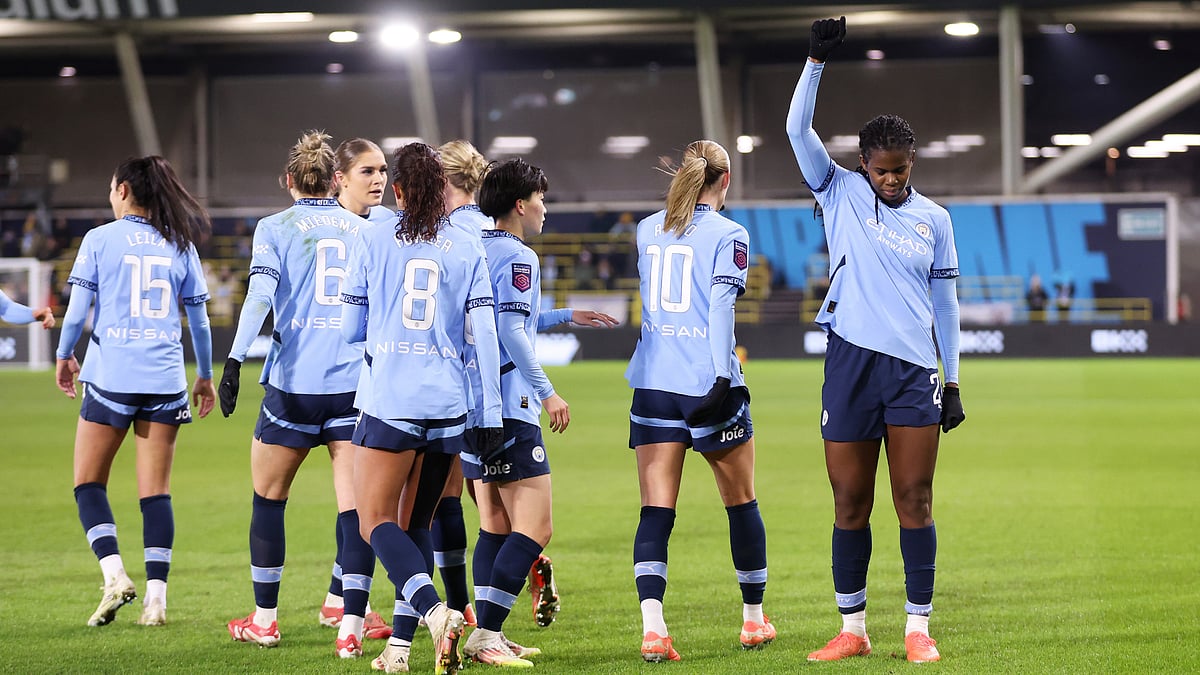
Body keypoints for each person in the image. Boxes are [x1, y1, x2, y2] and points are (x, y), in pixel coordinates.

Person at [785, 16, 966, 664]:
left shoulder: (935, 220)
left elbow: (945, 303)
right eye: (882, 171)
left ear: (912, 163)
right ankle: (853, 628)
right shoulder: (838, 191)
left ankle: (918, 628)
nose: (891, 180)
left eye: (901, 170)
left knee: (914, 498)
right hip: (849, 364)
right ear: (863, 163)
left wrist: (952, 379)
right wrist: (815, 61)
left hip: (913, 370)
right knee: (849, 501)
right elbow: (796, 130)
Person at [340, 141, 503, 675]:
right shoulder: (468, 244)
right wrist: (490, 412)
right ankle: (399, 649)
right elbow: (484, 336)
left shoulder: (373, 235)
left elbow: (350, 329)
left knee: (374, 521)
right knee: (417, 525)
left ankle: (436, 613)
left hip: (391, 398)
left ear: (400, 190)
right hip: (449, 405)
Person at [220, 131, 379, 657]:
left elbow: (260, 295)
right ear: (335, 180)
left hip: (293, 386)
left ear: (288, 180)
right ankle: (349, 627)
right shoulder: (366, 229)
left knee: (269, 499)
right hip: (353, 386)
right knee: (355, 509)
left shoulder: (275, 227)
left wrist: (234, 360)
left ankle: (265, 621)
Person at [460, 158, 619, 666]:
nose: (545, 208)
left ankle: (490, 635)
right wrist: (548, 392)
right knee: (536, 529)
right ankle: (486, 635)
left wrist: (567, 314)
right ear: (519, 205)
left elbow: (506, 320)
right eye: (541, 199)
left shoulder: (472, 248)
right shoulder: (519, 257)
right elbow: (511, 331)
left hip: (471, 405)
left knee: (494, 527)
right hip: (510, 405)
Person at [623, 140, 772, 663]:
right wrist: (722, 377)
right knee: (741, 502)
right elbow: (721, 309)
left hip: (653, 384)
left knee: (655, 510)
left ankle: (653, 629)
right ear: (725, 180)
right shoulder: (730, 234)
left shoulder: (647, 229)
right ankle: (753, 620)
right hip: (707, 383)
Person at [55, 155, 216, 627]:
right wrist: (204, 375)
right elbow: (200, 322)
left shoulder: (100, 239)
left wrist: (64, 355)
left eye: (112, 189)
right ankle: (156, 602)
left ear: (123, 190)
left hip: (112, 377)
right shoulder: (180, 244)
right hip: (165, 380)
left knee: (88, 482)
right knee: (156, 493)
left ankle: (114, 575)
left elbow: (77, 311)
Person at [315, 136, 394, 640]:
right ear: (339, 179)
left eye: (383, 170)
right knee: (362, 504)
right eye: (368, 171)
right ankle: (347, 608)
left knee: (361, 502)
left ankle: (337, 600)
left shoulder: (388, 225)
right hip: (321, 381)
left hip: (368, 381)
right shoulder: (323, 227)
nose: (379, 179)